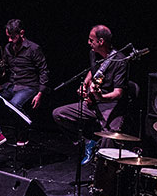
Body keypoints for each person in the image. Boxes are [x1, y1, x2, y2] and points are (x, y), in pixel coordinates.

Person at [52, 25, 128, 165]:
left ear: (101, 41)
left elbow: (118, 93)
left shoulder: (120, 61)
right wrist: (85, 84)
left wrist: (101, 97)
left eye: (91, 40)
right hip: (92, 103)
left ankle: (101, 172)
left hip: (111, 106)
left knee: (109, 137)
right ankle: (88, 143)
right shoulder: (93, 53)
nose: (88, 43)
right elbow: (93, 71)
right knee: (58, 114)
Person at [0, 19, 50, 152]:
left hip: (29, 86)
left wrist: (40, 92)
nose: (10, 40)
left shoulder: (33, 48)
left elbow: (43, 70)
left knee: (13, 104)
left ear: (22, 33)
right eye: (8, 36)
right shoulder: (7, 48)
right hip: (12, 85)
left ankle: (24, 129)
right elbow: (4, 68)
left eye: (12, 37)